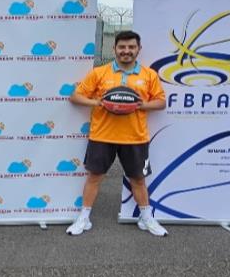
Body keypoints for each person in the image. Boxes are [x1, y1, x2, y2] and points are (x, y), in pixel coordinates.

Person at [66, 30, 168, 237]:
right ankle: (83, 218)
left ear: (139, 49)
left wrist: (141, 105)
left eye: (131, 47)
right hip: (102, 136)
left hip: (136, 137)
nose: (126, 51)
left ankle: (146, 217)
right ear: (114, 49)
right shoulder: (99, 73)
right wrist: (98, 102)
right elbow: (75, 97)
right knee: (94, 177)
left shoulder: (149, 75)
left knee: (138, 179)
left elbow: (161, 102)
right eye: (122, 47)